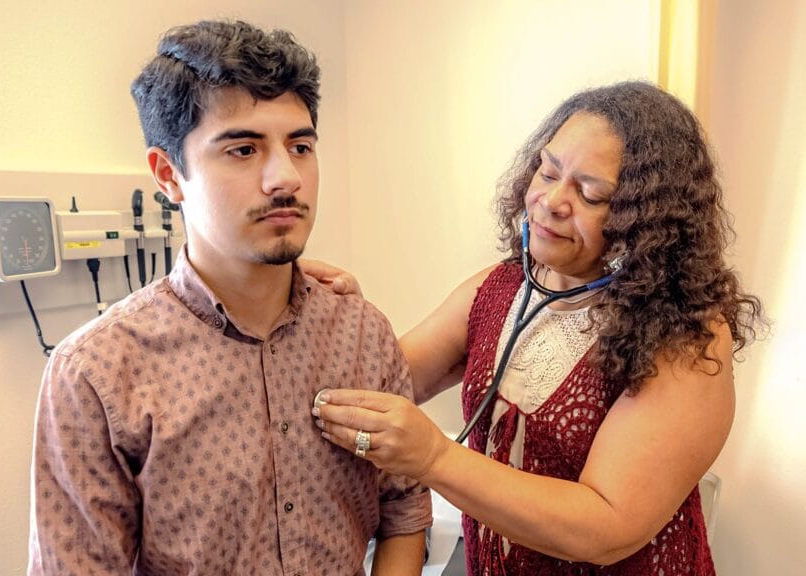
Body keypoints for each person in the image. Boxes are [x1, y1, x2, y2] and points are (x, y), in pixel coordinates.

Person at [28, 19, 430, 575]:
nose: (285, 177)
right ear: (168, 175)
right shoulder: (96, 374)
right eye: (243, 149)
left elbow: (404, 510)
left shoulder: (361, 334)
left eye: (301, 145)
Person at [310, 81, 762, 575]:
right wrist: (339, 318)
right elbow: (382, 381)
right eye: (547, 171)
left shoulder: (685, 339)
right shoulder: (497, 289)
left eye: (590, 194)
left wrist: (433, 457)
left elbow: (606, 527)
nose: (550, 201)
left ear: (646, 221)